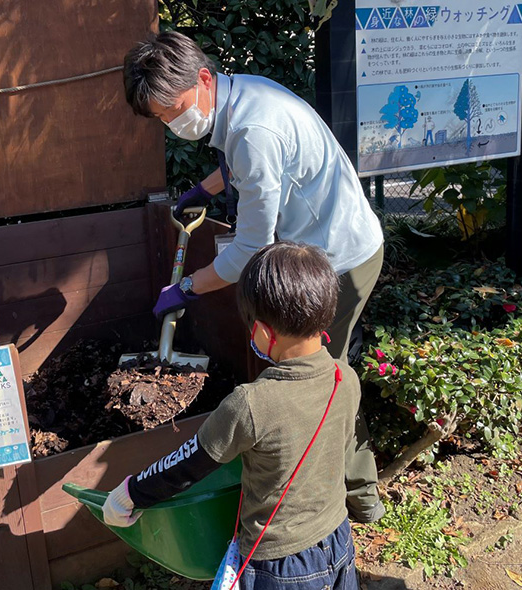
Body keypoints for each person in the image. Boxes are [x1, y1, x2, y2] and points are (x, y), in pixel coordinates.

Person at [102, 242, 384, 590]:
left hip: (281, 565)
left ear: (264, 333)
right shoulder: (345, 378)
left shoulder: (252, 404)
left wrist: (132, 492)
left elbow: (186, 465)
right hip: (337, 540)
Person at [123, 31, 384, 363]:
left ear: (203, 79)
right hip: (335, 238)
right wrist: (205, 190)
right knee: (323, 364)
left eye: (174, 109)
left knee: (315, 371)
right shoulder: (242, 92)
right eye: (161, 117)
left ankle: (342, 413)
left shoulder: (251, 131)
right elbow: (252, 165)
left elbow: (251, 248)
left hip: (341, 258)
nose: (172, 122)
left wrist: (188, 287)